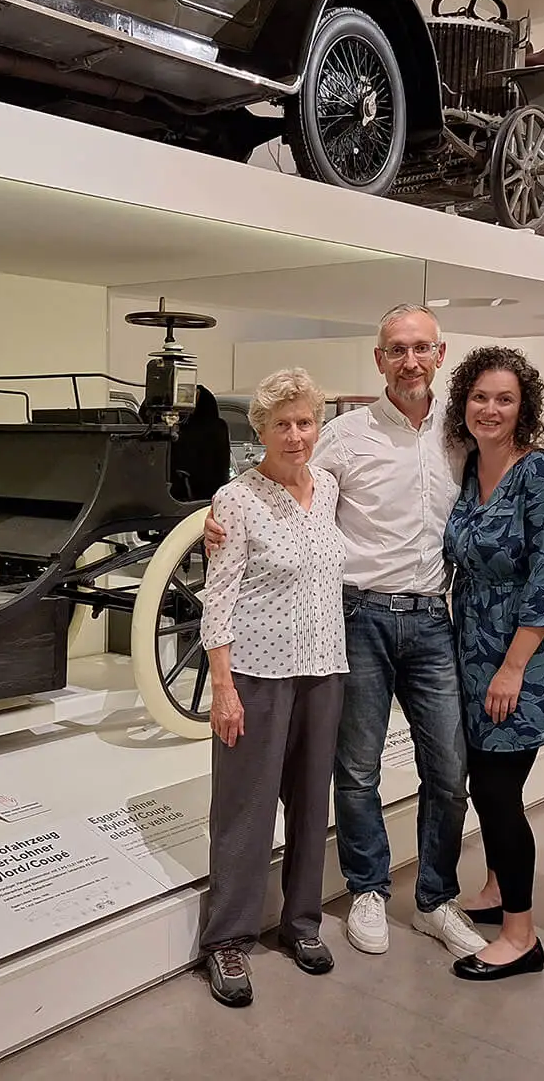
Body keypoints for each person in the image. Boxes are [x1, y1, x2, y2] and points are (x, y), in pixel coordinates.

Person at [204, 304, 489, 963]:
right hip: (336, 631)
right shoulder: (338, 440)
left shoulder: (457, 432)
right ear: (379, 358)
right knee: (334, 781)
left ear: (439, 354)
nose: (298, 434)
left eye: (421, 348)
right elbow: (254, 492)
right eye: (396, 348)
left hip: (391, 633)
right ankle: (315, 908)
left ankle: (387, 908)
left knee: (436, 774)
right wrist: (208, 518)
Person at [197, 368, 349, 1007]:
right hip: (257, 675)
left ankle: (302, 922)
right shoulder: (236, 499)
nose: (295, 435)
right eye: (281, 424)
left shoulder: (331, 488)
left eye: (305, 421)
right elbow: (219, 598)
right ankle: (227, 941)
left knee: (312, 804)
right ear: (259, 430)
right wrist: (223, 688)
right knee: (246, 808)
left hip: (323, 667)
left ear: (319, 425)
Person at [440, 347, 544, 982]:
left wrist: (513, 666)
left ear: (523, 408)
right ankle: (498, 889)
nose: (490, 409)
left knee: (497, 790)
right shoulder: (470, 467)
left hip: (526, 655)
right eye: (479, 397)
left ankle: (522, 937)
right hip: (472, 647)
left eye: (504, 399)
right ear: (463, 403)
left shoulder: (541, 474)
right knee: (483, 783)